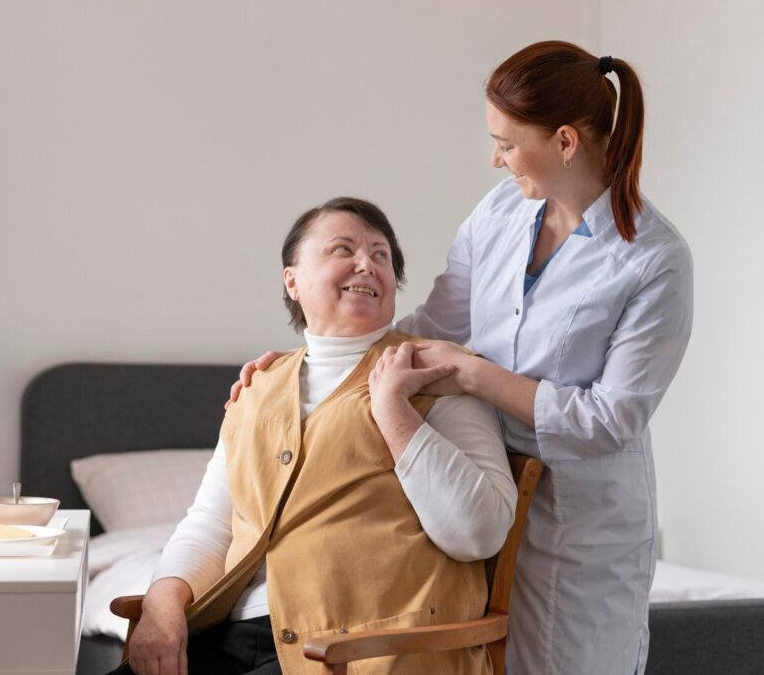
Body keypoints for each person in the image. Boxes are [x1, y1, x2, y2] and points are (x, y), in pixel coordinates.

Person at [230, 41, 693, 675]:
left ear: (565, 142)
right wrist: (310, 362)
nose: (496, 158)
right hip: (482, 485)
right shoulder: (500, 211)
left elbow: (610, 420)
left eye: (506, 143)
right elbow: (433, 324)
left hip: (582, 517)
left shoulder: (655, 259)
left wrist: (475, 373)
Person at [110, 198, 517, 675]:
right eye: (343, 249)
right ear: (292, 281)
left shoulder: (437, 373)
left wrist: (394, 413)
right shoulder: (258, 388)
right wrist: (162, 604)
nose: (366, 263)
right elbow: (212, 525)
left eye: (381, 255)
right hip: (231, 636)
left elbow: (479, 532)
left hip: (361, 652)